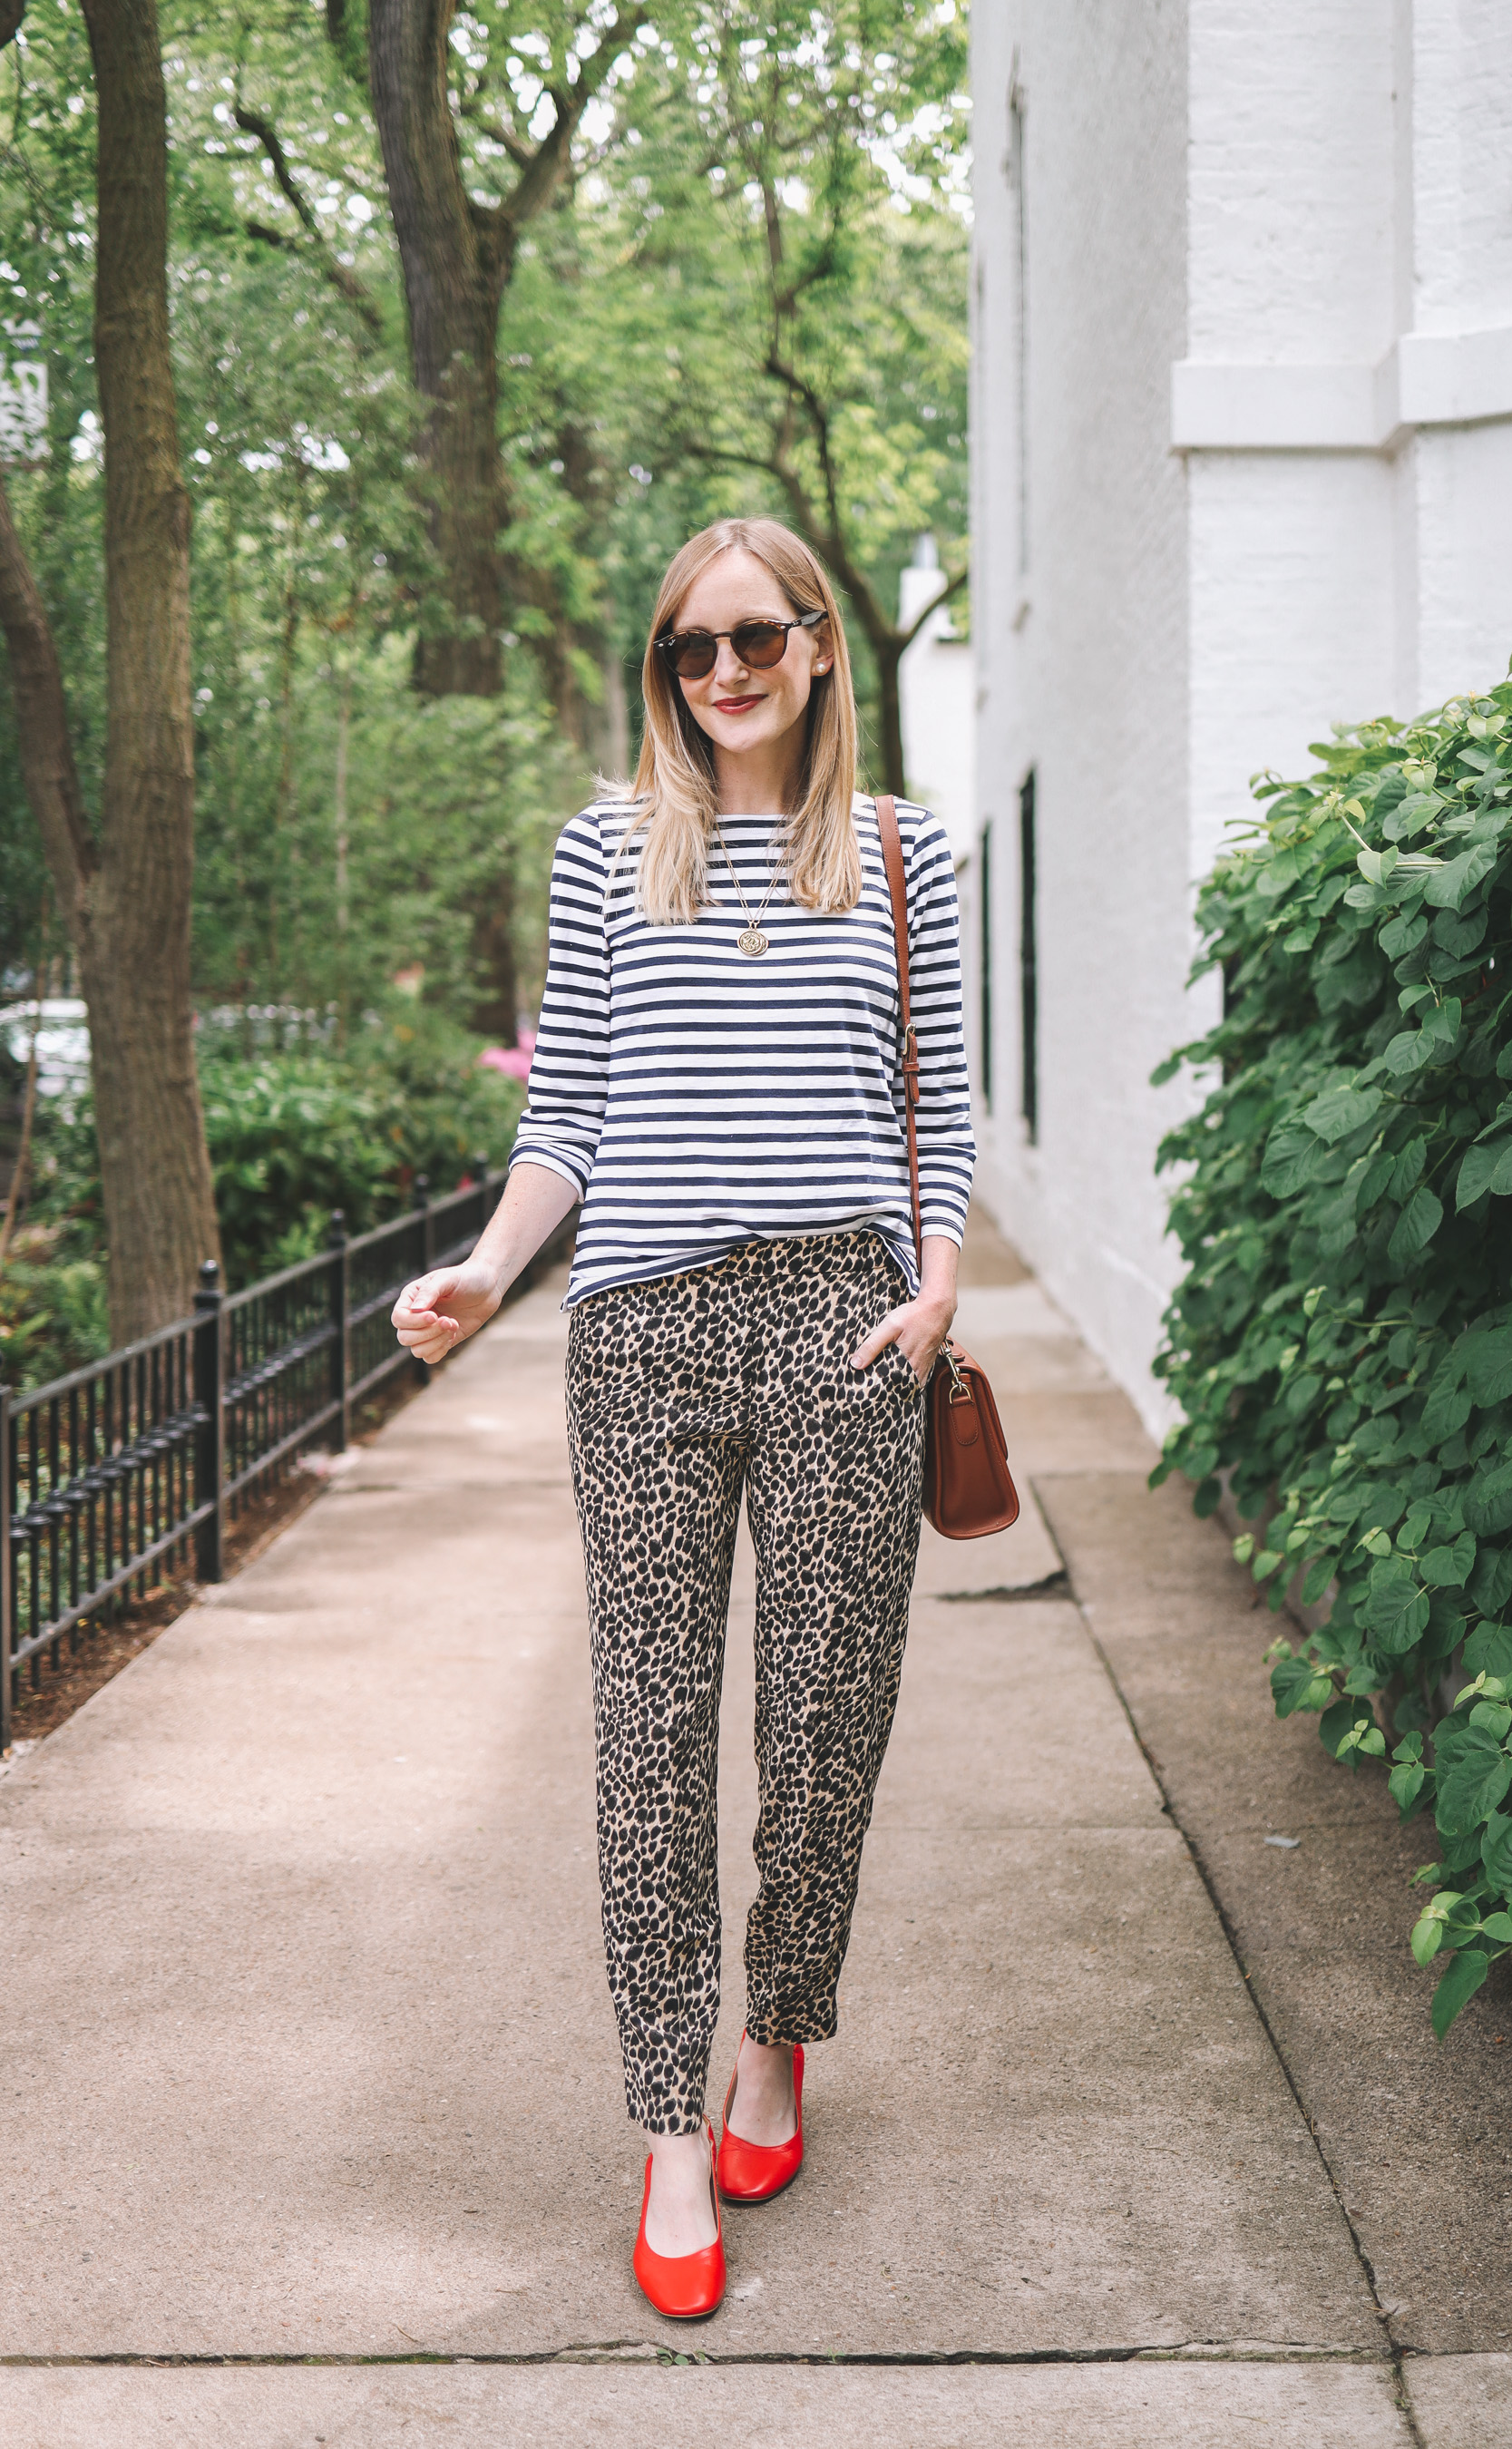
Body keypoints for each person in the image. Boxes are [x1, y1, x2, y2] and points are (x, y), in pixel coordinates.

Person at [390, 516, 975, 2319]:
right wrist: (490, 1271)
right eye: (684, 651)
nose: (718, 673)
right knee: (649, 1735)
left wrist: (933, 1289)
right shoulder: (604, 851)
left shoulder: (896, 853)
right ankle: (665, 2127)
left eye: (750, 639)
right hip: (638, 1330)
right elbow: (566, 1110)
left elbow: (938, 1103)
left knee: (822, 1722)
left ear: (815, 648)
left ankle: (779, 2041)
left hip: (841, 1326)